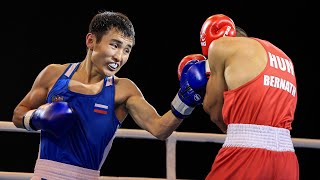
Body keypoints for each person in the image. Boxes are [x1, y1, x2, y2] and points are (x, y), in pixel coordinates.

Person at [11, 10, 207, 180]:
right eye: (115, 45)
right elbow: (18, 114)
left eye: (126, 50)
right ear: (91, 41)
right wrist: (36, 118)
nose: (119, 57)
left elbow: (160, 129)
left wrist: (186, 99)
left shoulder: (123, 90)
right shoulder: (54, 74)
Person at [199, 14, 299, 179]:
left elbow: (213, 112)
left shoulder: (220, 46)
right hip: (287, 158)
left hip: (246, 153)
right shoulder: (283, 57)